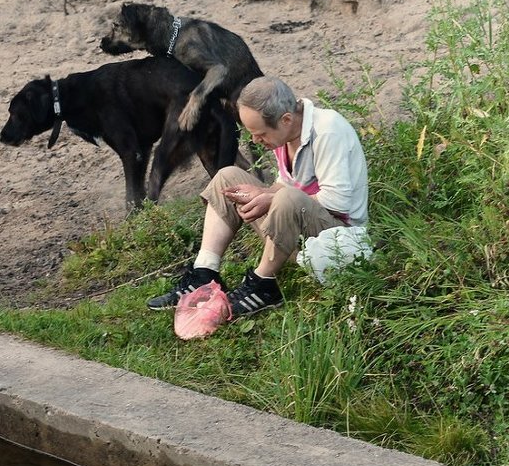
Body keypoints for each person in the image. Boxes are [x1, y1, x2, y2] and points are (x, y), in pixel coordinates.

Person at [147, 75, 369, 318]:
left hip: (338, 240)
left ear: (285, 119)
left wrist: (271, 199)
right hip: (296, 230)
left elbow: (338, 202)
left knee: (286, 199)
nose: (254, 140)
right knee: (227, 176)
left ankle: (264, 283)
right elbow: (286, 184)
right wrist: (264, 194)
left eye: (260, 133)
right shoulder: (286, 133)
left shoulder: (328, 131)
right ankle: (205, 273)